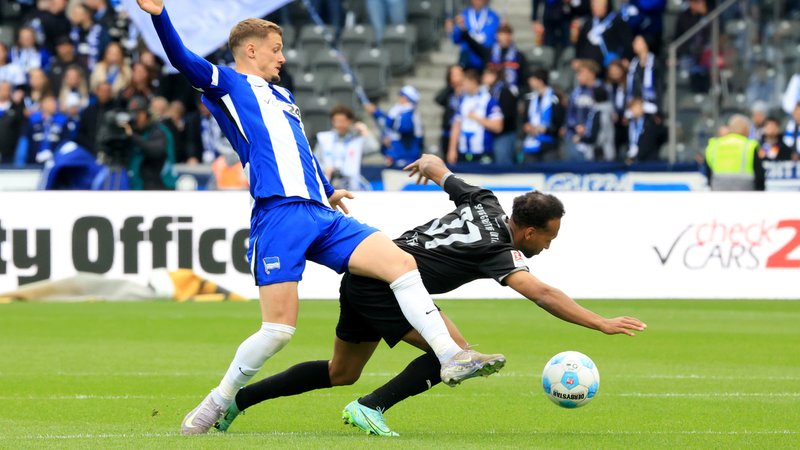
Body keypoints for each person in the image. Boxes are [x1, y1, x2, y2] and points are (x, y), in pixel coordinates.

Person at [135, 0, 502, 435]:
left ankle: (451, 357)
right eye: (276, 48)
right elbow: (181, 59)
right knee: (277, 331)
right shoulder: (228, 83)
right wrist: (160, 15)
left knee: (401, 263)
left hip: (320, 212)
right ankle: (218, 400)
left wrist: (326, 189)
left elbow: (298, 151)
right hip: (279, 215)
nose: (283, 57)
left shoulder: (285, 96)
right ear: (250, 50)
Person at [214, 154, 648, 436]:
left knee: (341, 371)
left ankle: (239, 401)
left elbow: (442, 172)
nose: (549, 246)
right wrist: (601, 323)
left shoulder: (486, 201)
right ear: (529, 231)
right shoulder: (500, 252)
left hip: (368, 273)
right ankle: (370, 408)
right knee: (455, 352)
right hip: (387, 285)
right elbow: (543, 294)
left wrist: (430, 164)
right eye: (549, 238)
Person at [314, 104, 379, 190]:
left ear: (350, 121)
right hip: (328, 185)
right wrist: (324, 168)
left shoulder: (357, 140)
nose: (339, 124)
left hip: (352, 186)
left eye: (342, 121)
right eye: (336, 121)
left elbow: (374, 147)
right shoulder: (324, 138)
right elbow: (314, 161)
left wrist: (365, 130)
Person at [447, 68, 503, 164]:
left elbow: (498, 127)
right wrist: (452, 150)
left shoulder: (488, 100)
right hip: (463, 152)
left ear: (473, 82)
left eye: (464, 82)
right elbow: (456, 126)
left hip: (483, 153)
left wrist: (477, 118)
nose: (462, 85)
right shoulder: (462, 100)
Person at [121, 95, 176, 190]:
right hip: (134, 185)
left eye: (139, 113)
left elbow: (156, 150)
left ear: (147, 114)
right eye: (132, 113)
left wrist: (132, 136)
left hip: (159, 186)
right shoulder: (130, 131)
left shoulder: (159, 130)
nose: (135, 117)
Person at [364, 85, 423, 169]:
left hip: (406, 155)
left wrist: (389, 138)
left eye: (402, 96)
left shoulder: (408, 112)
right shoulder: (402, 111)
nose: (400, 98)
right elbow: (389, 121)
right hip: (399, 153)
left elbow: (404, 128)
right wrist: (376, 112)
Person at [703, 114, 760, 191]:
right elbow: (759, 174)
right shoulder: (749, 146)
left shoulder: (714, 145)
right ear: (745, 129)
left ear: (730, 128)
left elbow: (708, 173)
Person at [575, 0, 633, 71]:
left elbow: (626, 42)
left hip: (608, 64)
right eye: (593, 5)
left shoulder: (617, 21)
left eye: (597, 5)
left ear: (605, 6)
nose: (594, 8)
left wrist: (626, 58)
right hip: (587, 64)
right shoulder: (588, 22)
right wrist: (577, 58)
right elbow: (581, 43)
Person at [522, 68, 563, 162]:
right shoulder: (529, 98)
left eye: (532, 79)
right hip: (531, 142)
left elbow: (559, 121)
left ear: (540, 81)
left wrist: (546, 129)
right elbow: (525, 119)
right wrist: (527, 126)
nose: (529, 81)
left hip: (549, 143)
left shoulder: (555, 98)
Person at [450, 0, 501, 70]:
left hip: (485, 60)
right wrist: (456, 30)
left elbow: (493, 40)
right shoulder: (464, 15)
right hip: (467, 59)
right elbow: (456, 40)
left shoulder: (493, 16)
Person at [755, 116, 796, 191]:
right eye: (768, 126)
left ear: (778, 129)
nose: (771, 129)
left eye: (773, 126)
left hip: (780, 186)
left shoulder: (785, 149)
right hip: (761, 186)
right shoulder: (757, 147)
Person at [624, 96, 662, 163]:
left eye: (637, 107)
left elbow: (649, 143)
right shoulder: (630, 123)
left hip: (647, 160)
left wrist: (637, 154)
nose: (634, 109)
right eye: (633, 107)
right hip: (631, 159)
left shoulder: (650, 123)